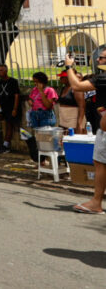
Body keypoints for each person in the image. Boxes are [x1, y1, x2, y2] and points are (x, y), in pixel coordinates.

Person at [63, 51, 106, 214]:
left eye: (102, 58)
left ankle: (96, 203)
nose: (97, 59)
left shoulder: (103, 78)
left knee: (100, 164)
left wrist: (69, 66)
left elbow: (76, 86)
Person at [0, 64, 21, 153]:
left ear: (6, 71)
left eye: (1, 70)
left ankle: (6, 145)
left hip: (11, 107)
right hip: (2, 107)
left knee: (9, 125)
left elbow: (17, 95)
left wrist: (15, 109)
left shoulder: (13, 81)